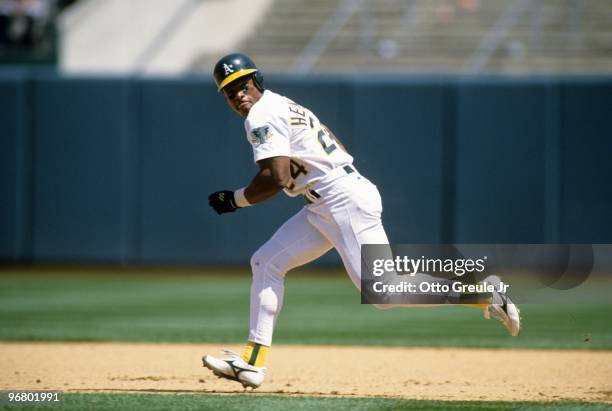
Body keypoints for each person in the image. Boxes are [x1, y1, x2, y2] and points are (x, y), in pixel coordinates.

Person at [201, 53, 521, 389]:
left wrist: (235, 199)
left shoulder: (261, 115)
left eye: (243, 84)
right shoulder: (283, 104)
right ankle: (253, 363)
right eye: (230, 90)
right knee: (266, 262)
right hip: (325, 202)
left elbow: (276, 178)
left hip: (341, 200)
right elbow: (330, 144)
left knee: (383, 291)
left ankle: (482, 292)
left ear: (258, 81)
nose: (239, 94)